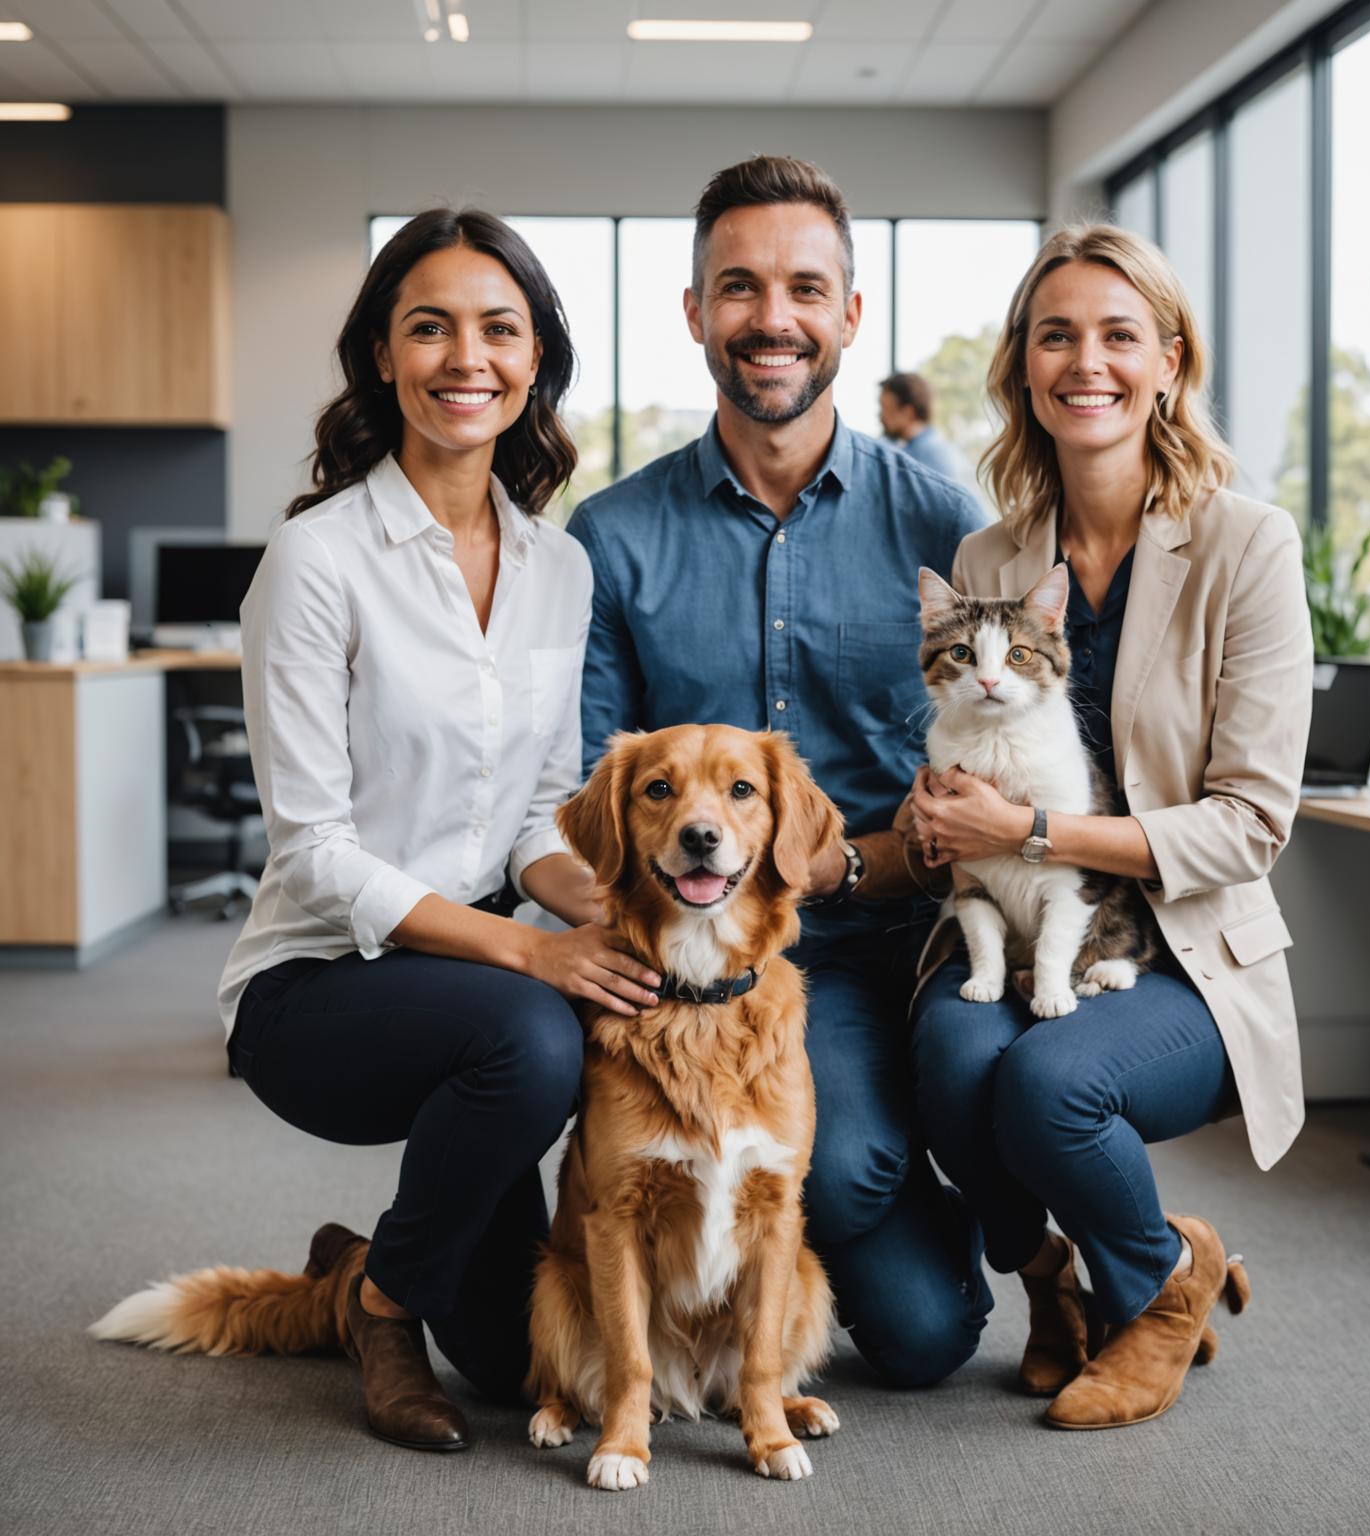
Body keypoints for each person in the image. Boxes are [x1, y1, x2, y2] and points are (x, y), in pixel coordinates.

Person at [217, 209, 662, 1452]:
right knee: (533, 1036)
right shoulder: (317, 562)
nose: (466, 357)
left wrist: (626, 917)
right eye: (430, 328)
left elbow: (532, 811)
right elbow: (314, 848)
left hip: (463, 981)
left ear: (534, 364)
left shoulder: (555, 569)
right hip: (318, 986)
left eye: (499, 329)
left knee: (525, 1364)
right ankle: (379, 1304)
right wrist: (531, 950)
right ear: (381, 358)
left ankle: (370, 1258)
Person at [566, 156, 991, 1389]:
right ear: (695, 312)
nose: (773, 317)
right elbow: (597, 800)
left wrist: (860, 861)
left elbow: (982, 764)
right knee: (532, 1334)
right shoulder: (617, 534)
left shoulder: (939, 524)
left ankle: (899, 1174)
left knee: (916, 1334)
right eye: (739, 287)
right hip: (687, 958)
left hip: (881, 942)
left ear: (850, 315)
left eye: (806, 287)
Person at [907, 224, 1312, 1429]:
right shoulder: (992, 552)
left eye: (1119, 335)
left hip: (1182, 949)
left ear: (1170, 361)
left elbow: (1248, 826)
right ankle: (1055, 1284)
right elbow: (966, 750)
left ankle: (1160, 1291)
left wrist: (1034, 831)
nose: (1088, 362)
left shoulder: (1248, 544)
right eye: (1056, 336)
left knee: (1045, 1086)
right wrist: (937, 819)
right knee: (947, 1056)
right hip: (1017, 916)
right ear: (1025, 368)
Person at [878, 370, 972, 484]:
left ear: (908, 412)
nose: (881, 416)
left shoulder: (925, 456)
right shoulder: (933, 445)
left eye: (886, 408)